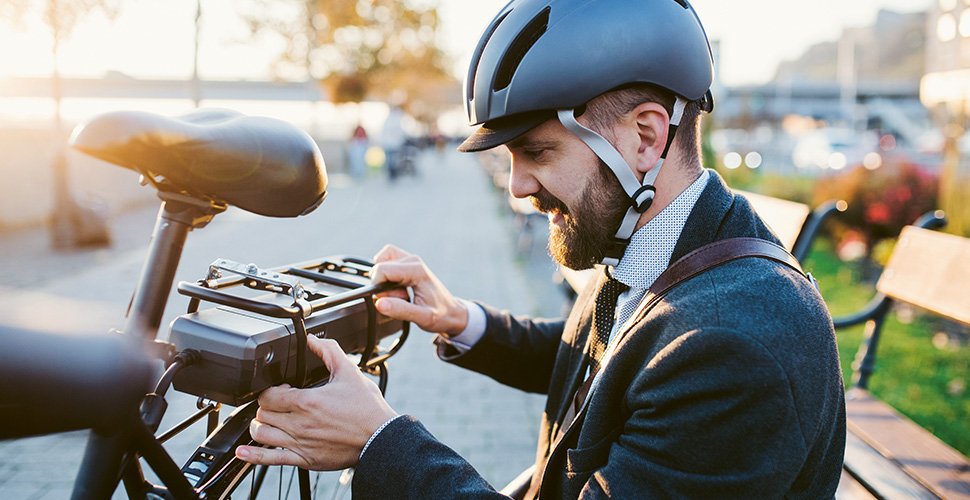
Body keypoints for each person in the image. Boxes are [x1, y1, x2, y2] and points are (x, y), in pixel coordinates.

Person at [236, 0, 846, 498]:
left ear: (645, 138)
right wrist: (461, 320)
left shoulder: (734, 346)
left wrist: (378, 441)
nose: (517, 187)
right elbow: (608, 361)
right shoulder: (661, 243)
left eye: (537, 152)